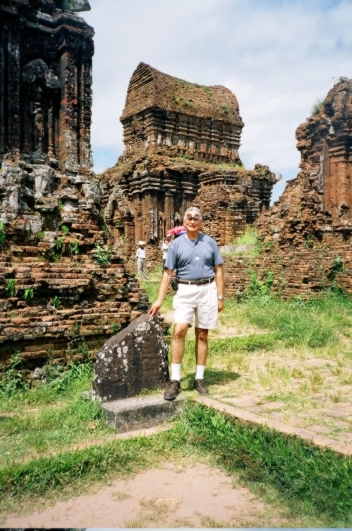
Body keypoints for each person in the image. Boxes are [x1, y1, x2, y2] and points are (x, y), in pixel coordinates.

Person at [148, 207, 224, 400]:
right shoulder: (176, 245)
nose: (192, 221)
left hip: (207, 289)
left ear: (201, 221)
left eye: (196, 218)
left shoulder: (210, 242)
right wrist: (159, 300)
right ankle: (175, 380)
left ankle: (199, 378)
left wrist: (220, 297)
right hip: (185, 289)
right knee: (179, 330)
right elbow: (167, 273)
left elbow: (219, 270)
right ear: (184, 221)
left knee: (202, 334)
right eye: (189, 217)